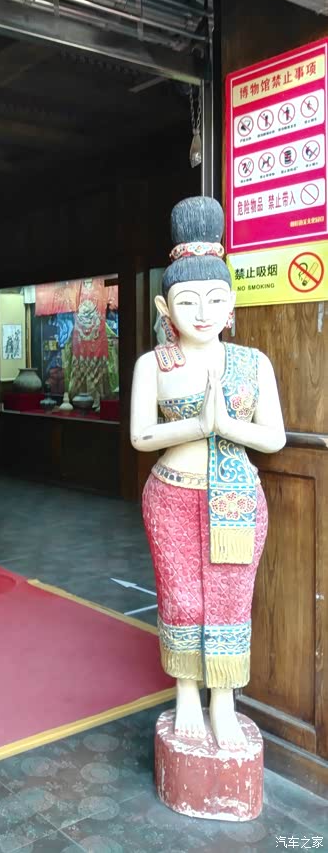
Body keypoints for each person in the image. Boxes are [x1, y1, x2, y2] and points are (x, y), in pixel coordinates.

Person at [130, 196, 285, 750]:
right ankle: (186, 694)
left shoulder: (252, 363)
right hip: (171, 495)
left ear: (232, 301)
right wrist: (197, 424)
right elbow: (141, 437)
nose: (202, 312)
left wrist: (227, 426)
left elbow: (275, 437)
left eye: (216, 299)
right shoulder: (155, 364)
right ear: (163, 306)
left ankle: (223, 700)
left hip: (236, 498)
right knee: (181, 599)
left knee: (229, 599)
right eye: (187, 300)